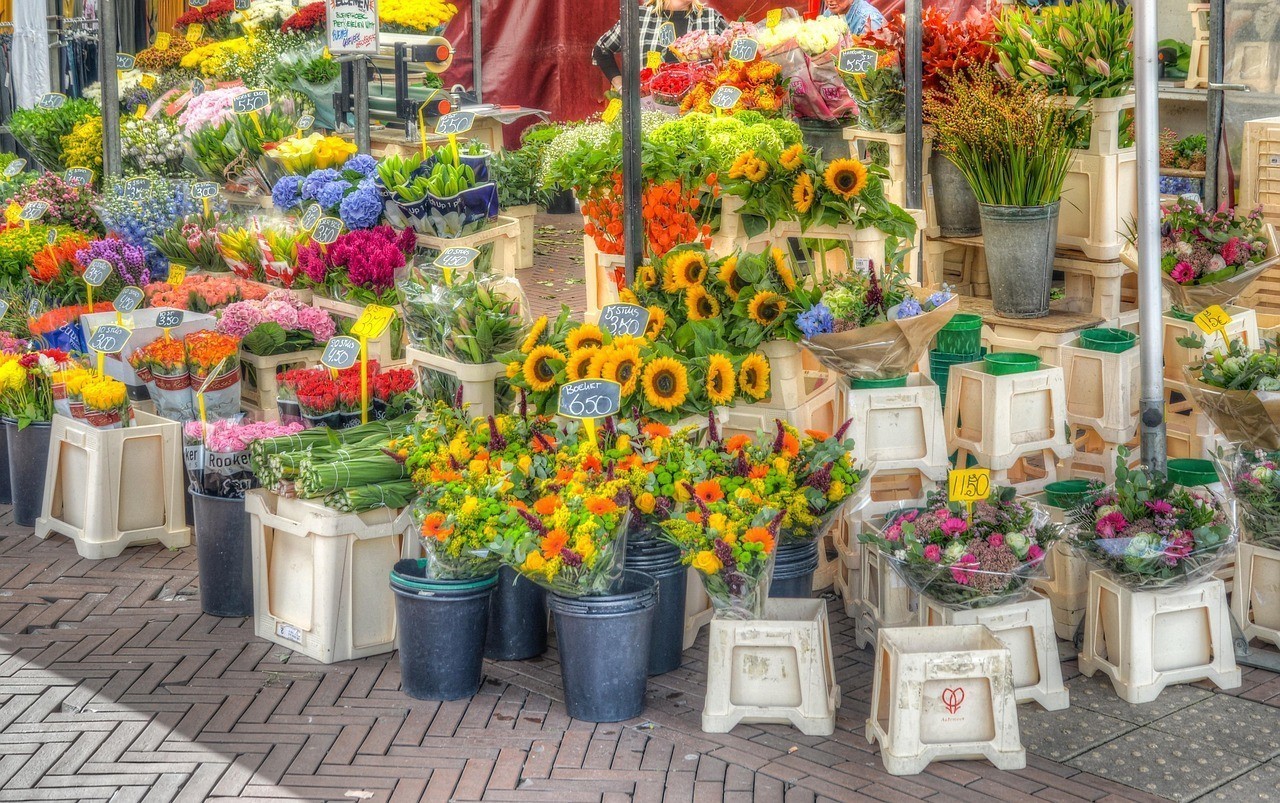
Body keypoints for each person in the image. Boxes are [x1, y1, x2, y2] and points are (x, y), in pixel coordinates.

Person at [593, 0, 728, 91]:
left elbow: (736, 53)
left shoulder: (711, 18)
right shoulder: (639, 16)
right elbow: (601, 49)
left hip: (699, 108)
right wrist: (621, 86)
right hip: (649, 108)